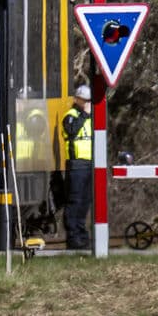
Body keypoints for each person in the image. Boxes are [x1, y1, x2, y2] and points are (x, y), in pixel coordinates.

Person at [61, 85, 93, 249]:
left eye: (89, 100)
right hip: (76, 165)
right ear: (77, 99)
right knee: (75, 201)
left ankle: (82, 235)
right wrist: (85, 114)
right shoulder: (71, 116)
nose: (88, 103)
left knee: (85, 202)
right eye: (85, 100)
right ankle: (73, 237)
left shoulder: (91, 117)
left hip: (90, 164)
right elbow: (71, 131)